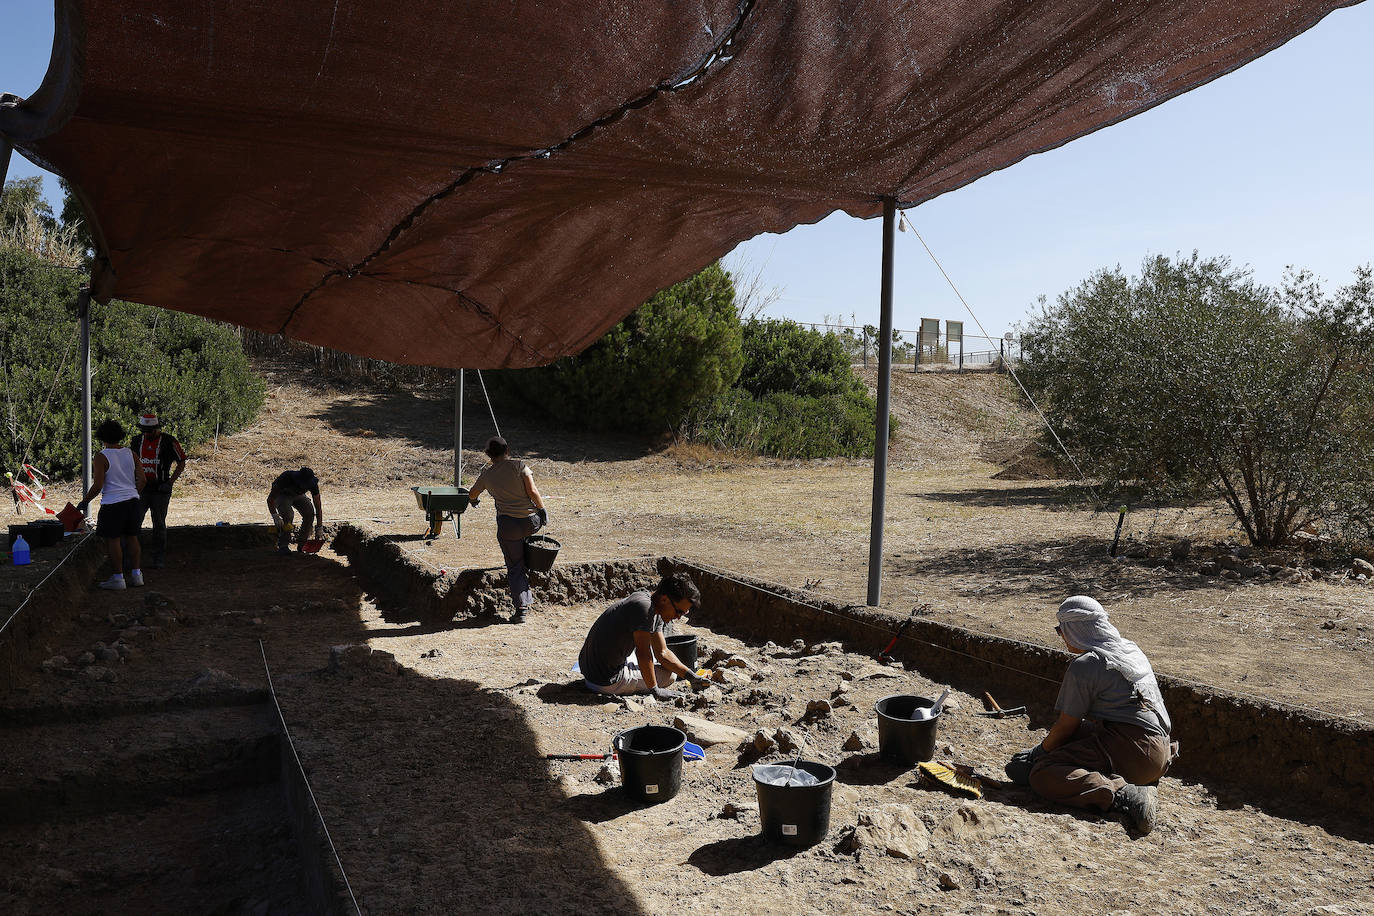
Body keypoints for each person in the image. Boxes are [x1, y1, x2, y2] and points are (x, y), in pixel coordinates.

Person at [1007, 595, 1177, 835]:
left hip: (1138, 754)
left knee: (1042, 774)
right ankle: (1136, 779)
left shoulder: (1087, 664)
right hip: (1158, 750)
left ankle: (1125, 795)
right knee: (1064, 743)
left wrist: (1037, 755)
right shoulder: (1129, 649)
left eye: (1061, 629)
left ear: (1075, 629)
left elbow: (1066, 726)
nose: (1060, 635)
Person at [577, 573, 712, 699]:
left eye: (683, 613)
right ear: (665, 599)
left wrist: (691, 676)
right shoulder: (644, 609)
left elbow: (662, 652)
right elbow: (643, 654)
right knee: (669, 676)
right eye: (678, 612)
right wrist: (655, 690)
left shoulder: (653, 603)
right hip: (605, 680)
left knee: (658, 662)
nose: (678, 617)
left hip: (590, 668)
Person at [466, 436, 547, 624]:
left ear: (488, 455)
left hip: (508, 526)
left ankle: (521, 610)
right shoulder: (520, 466)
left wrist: (473, 500)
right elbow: (533, 491)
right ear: (507, 450)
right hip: (531, 522)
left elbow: (472, 493)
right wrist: (542, 510)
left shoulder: (486, 475)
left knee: (515, 566)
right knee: (522, 548)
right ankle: (528, 561)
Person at [77, 419, 148, 590]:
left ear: (102, 437)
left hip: (112, 504)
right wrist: (133, 492)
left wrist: (85, 501)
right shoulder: (131, 454)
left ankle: (118, 578)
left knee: (113, 540)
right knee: (132, 537)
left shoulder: (101, 456)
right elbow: (143, 479)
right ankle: (137, 575)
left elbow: (98, 485)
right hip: (133, 501)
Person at [131, 412, 186, 568]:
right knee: (135, 522)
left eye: (150, 430)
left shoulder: (169, 441)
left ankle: (158, 558)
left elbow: (181, 461)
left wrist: (170, 482)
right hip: (141, 489)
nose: (147, 434)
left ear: (157, 428)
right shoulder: (135, 441)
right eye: (145, 431)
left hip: (160, 489)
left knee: (159, 524)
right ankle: (132, 558)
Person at [267, 467, 323, 554]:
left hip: (299, 495)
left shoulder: (313, 483)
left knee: (309, 513)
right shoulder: (285, 478)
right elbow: (270, 499)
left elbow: (318, 506)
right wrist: (275, 516)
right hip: (283, 495)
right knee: (288, 515)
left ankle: (302, 545)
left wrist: (319, 527)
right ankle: (283, 545)